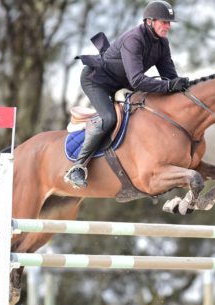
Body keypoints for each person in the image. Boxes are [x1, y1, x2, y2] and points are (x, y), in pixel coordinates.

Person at [65, 0, 190, 189]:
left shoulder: (162, 43)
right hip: (96, 80)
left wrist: (182, 88)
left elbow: (169, 76)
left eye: (169, 23)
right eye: (163, 22)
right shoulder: (135, 39)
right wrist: (169, 85)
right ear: (149, 21)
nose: (167, 26)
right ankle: (77, 167)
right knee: (109, 118)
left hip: (121, 82)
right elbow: (137, 81)